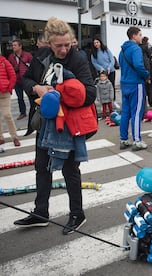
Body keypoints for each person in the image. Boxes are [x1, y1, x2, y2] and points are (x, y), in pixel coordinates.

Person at [14, 17, 97, 235]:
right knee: (41, 167)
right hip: (44, 123)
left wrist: (61, 92)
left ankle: (77, 214)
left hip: (67, 125)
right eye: (58, 45)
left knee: (70, 170)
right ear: (48, 43)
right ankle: (41, 212)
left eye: (67, 45)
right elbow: (25, 80)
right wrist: (38, 89)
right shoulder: (41, 56)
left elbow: (90, 93)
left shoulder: (78, 59)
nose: (63, 49)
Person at [118, 27, 150, 150]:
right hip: (136, 83)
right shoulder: (136, 49)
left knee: (125, 113)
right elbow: (138, 65)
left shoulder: (122, 50)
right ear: (134, 36)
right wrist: (146, 75)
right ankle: (137, 140)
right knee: (137, 113)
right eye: (140, 35)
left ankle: (124, 139)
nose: (141, 37)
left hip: (124, 83)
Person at [8, 39, 33, 120]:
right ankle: (22, 112)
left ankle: (33, 111)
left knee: (30, 96)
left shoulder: (27, 55)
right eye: (12, 45)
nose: (13, 47)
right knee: (19, 97)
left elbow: (33, 66)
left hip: (26, 79)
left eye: (15, 45)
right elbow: (9, 68)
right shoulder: (11, 57)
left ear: (20, 46)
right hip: (17, 80)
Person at [0, 54, 20, 146]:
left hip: (4, 92)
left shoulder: (4, 62)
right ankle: (0, 137)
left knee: (7, 114)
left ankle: (14, 137)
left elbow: (12, 75)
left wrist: (9, 88)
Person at [91, 37, 117, 104]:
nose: (96, 44)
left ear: (100, 42)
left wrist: (109, 67)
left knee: (111, 86)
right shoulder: (93, 53)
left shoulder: (106, 50)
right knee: (103, 87)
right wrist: (100, 68)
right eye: (95, 43)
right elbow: (94, 63)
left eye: (97, 42)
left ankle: (113, 101)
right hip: (102, 73)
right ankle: (105, 102)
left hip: (111, 71)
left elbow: (112, 59)